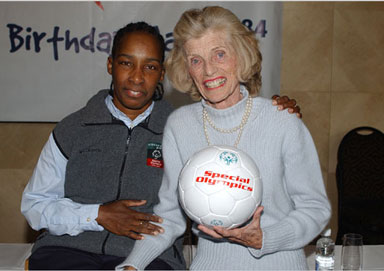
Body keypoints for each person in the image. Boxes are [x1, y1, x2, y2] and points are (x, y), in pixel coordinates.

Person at [21, 21, 301, 270]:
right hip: (67, 252)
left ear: (162, 74)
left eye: (150, 66)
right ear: (110, 64)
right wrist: (98, 215)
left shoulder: (187, 130)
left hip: (152, 258)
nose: (137, 77)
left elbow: (237, 168)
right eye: (126, 63)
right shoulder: (73, 129)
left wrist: (275, 121)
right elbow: (35, 206)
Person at [118, 6, 331, 270]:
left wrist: (266, 237)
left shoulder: (282, 121)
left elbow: (315, 208)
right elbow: (170, 215)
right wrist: (133, 265)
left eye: (219, 54)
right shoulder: (179, 125)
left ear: (240, 56)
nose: (208, 70)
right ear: (187, 69)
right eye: (196, 60)